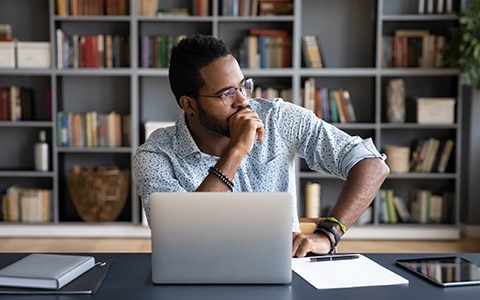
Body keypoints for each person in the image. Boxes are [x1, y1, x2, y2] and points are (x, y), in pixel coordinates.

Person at [133, 34, 389, 258]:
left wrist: (330, 233)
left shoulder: (277, 118)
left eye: (243, 86)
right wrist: (236, 151)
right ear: (189, 104)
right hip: (203, 278)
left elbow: (372, 164)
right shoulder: (155, 156)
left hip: (286, 268)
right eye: (226, 94)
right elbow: (178, 237)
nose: (243, 101)